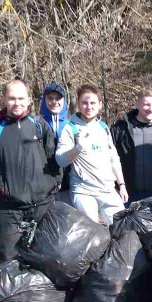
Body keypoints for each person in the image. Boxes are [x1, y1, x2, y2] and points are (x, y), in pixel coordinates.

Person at [0, 79, 60, 262]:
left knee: (48, 259)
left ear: (29, 99)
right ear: (5, 99)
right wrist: (4, 189)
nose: (17, 103)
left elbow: (54, 159)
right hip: (9, 208)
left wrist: (52, 183)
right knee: (8, 260)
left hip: (43, 205)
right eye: (12, 98)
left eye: (21, 98)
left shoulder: (39, 125)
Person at [56, 83, 127, 225]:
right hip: (83, 191)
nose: (89, 107)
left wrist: (122, 184)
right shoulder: (71, 128)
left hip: (108, 190)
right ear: (79, 104)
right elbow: (60, 160)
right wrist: (77, 148)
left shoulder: (103, 127)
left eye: (93, 103)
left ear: (100, 105)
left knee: (123, 228)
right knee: (92, 234)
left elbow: (113, 157)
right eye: (84, 103)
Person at [111, 87, 152, 204]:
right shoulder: (120, 129)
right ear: (137, 104)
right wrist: (115, 186)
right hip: (128, 196)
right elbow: (109, 159)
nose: (151, 109)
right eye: (146, 105)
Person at [40, 82, 72, 204]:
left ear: (64, 100)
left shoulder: (71, 125)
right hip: (46, 183)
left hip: (69, 183)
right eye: (50, 98)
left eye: (58, 98)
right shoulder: (38, 123)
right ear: (44, 100)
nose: (54, 102)